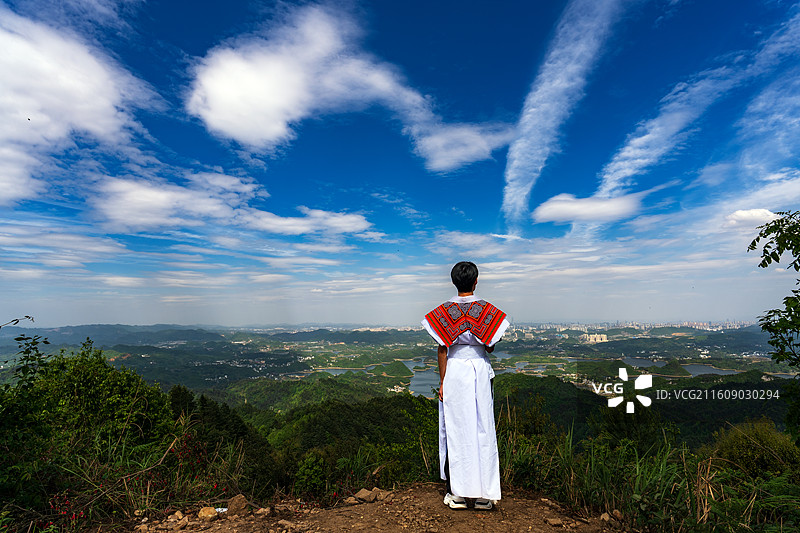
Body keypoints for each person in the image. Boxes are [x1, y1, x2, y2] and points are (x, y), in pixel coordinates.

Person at [421, 261, 509, 510]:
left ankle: (457, 494)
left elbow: (442, 349)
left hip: (455, 371)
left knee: (456, 428)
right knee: (483, 427)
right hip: (479, 370)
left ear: (453, 281)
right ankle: (484, 495)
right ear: (476, 281)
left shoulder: (443, 312)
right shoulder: (487, 311)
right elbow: (490, 346)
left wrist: (442, 382)